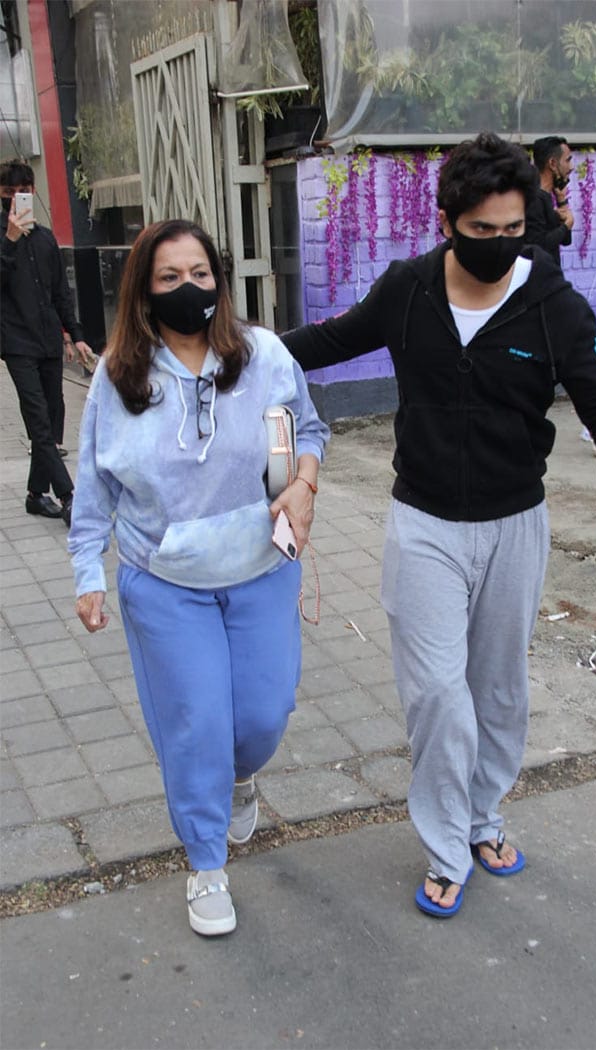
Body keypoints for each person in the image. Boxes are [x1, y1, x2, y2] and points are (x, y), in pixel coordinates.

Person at [282, 133, 596, 918]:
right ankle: (448, 844)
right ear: (448, 218)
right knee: (438, 696)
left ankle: (484, 815)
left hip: (516, 523)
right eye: (480, 230)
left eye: (512, 229)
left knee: (498, 691)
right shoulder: (408, 288)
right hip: (424, 527)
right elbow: (325, 343)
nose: (497, 245)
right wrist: (228, 352)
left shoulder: (552, 302)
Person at [67, 219, 329, 937]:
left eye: (201, 274)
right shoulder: (121, 373)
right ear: (144, 293)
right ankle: (206, 862)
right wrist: (88, 568)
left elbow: (306, 431)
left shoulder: (265, 355)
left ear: (220, 278)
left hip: (261, 567)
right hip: (165, 581)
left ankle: (242, 778)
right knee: (198, 726)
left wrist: (302, 485)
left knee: (262, 719)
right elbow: (93, 482)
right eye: (170, 278)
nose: (191, 289)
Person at [0, 158, 93, 525]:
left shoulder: (44, 237)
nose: (18, 199)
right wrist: (8, 240)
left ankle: (36, 494)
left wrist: (77, 335)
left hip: (49, 341)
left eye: (24, 191)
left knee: (54, 417)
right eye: (9, 193)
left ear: (33, 192)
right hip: (15, 341)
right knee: (38, 419)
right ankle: (69, 496)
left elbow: (61, 292)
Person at [524, 136, 575, 268]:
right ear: (552, 163)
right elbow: (538, 245)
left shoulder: (547, 196)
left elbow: (565, 240)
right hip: (539, 283)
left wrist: (561, 201)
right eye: (567, 161)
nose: (571, 167)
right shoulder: (534, 198)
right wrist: (565, 226)